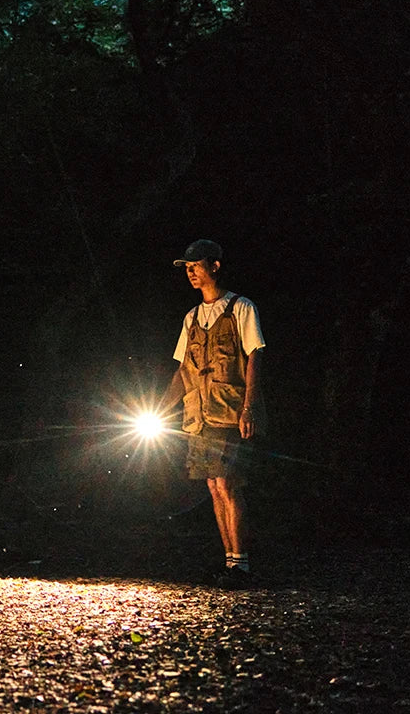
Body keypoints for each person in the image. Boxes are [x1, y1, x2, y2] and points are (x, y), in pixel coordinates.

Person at [165, 239, 266, 587]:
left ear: (216, 266)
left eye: (196, 266)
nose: (191, 273)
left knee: (228, 483)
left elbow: (256, 355)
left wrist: (249, 406)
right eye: (187, 268)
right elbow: (182, 370)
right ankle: (230, 563)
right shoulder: (191, 317)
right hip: (199, 416)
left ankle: (243, 565)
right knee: (212, 485)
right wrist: (162, 408)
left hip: (229, 411)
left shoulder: (241, 308)